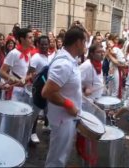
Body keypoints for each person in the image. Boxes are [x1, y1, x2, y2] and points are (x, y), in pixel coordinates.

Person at [42, 26, 85, 167]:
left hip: (67, 118)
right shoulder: (64, 63)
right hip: (62, 119)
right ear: (78, 42)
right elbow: (47, 92)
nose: (85, 46)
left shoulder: (69, 59)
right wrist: (69, 104)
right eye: (84, 42)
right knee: (57, 159)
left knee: (61, 155)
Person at [28, 35, 52, 143]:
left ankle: (48, 126)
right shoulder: (36, 57)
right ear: (38, 44)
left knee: (48, 109)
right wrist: (36, 78)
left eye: (46, 44)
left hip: (47, 89)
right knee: (36, 113)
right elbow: (30, 74)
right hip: (37, 90)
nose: (44, 46)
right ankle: (32, 132)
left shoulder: (49, 57)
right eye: (42, 44)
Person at [0, 28, 34, 102]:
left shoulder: (28, 53)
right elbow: (1, 72)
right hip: (13, 91)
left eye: (32, 37)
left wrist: (29, 76)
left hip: (24, 90)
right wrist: (11, 78)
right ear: (22, 39)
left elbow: (28, 73)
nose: (33, 39)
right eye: (30, 37)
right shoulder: (13, 53)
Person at [80, 44, 106, 123]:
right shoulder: (86, 65)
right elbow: (74, 81)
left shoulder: (98, 64)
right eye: (99, 52)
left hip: (98, 100)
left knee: (101, 123)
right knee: (88, 125)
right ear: (92, 53)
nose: (102, 54)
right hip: (87, 102)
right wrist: (84, 89)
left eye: (103, 52)